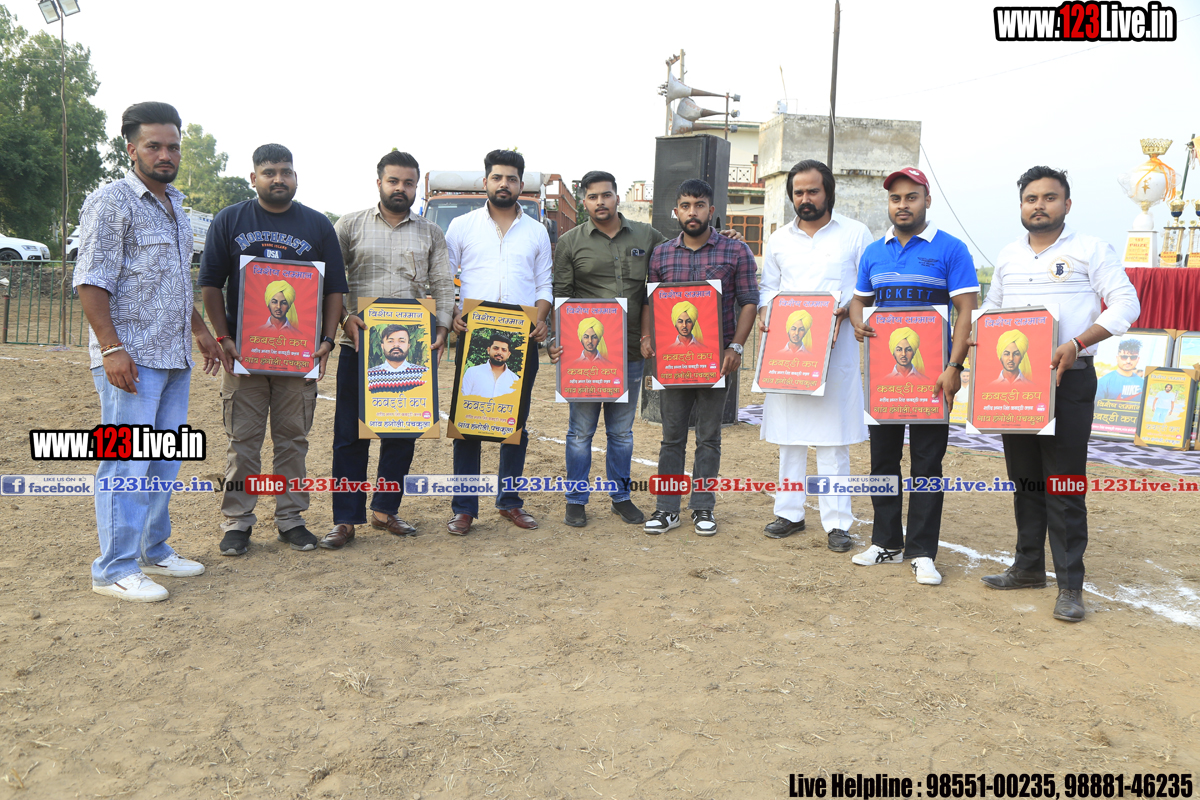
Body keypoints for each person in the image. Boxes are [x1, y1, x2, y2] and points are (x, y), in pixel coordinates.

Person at [74, 101, 224, 601]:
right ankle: (114, 569)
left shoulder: (175, 204)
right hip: (130, 360)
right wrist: (111, 348)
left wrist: (200, 330)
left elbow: (173, 283)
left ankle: (153, 549)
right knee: (126, 464)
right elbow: (91, 280)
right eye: (154, 145)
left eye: (173, 146)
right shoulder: (111, 201)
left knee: (162, 463)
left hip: (174, 356)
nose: (166, 154)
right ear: (131, 148)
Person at [979, 165, 1139, 622]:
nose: (1039, 205)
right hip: (1019, 386)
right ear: (1021, 206)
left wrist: (1077, 343)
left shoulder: (1091, 249)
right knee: (1025, 480)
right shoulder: (1009, 255)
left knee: (1064, 484)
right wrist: (980, 332)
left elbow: (1126, 303)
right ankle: (1029, 567)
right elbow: (993, 307)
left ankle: (1070, 586)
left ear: (1067, 204)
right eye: (1031, 198)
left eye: (1049, 198)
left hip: (1070, 379)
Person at [199, 143, 347, 556]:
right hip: (244, 355)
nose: (278, 179)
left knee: (293, 441)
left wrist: (327, 340)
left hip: (299, 356)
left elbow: (334, 289)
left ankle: (291, 518)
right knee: (243, 442)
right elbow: (210, 284)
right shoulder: (230, 219)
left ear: (295, 177)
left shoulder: (318, 225)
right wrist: (224, 337)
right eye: (269, 172)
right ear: (254, 178)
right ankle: (237, 521)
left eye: (285, 171)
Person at [849, 167, 978, 586]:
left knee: (926, 464)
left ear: (926, 200)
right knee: (883, 462)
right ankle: (886, 542)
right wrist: (858, 321)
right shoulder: (874, 252)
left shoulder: (951, 249)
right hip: (885, 381)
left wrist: (954, 368)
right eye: (895, 198)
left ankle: (922, 551)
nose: (902, 205)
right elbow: (859, 301)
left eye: (911, 197)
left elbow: (966, 311)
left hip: (932, 379)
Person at [323, 151, 453, 550]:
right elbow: (331, 279)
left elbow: (442, 282)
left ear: (416, 188)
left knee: (402, 432)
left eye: (408, 183)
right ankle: (345, 518)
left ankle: (385, 509)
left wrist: (443, 326)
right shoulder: (350, 225)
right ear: (378, 182)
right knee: (349, 435)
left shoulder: (431, 232)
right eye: (393, 181)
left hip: (411, 351)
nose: (401, 188)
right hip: (358, 344)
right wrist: (344, 317)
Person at [758, 160, 872, 549]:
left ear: (829, 192)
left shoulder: (855, 234)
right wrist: (767, 313)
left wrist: (847, 307)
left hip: (836, 351)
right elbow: (768, 288)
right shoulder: (779, 239)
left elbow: (867, 287)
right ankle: (789, 513)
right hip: (789, 355)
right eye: (799, 192)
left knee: (832, 440)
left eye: (813, 191)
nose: (805, 198)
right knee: (789, 438)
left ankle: (837, 523)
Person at [640, 179, 758, 536]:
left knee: (709, 437)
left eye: (700, 205)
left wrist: (736, 347)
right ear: (676, 211)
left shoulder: (736, 251)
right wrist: (647, 336)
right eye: (686, 206)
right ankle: (667, 509)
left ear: (711, 210)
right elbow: (651, 302)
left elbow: (749, 302)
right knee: (671, 437)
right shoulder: (661, 254)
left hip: (717, 361)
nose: (693, 212)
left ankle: (703, 508)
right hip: (674, 361)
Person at [550, 170, 666, 528]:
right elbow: (561, 297)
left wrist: (722, 237)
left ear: (617, 197)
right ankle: (576, 500)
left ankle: (621, 498)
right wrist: (556, 340)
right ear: (583, 202)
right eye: (592, 197)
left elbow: (680, 253)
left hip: (630, 352)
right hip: (584, 357)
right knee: (580, 433)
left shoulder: (647, 236)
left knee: (621, 434)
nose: (600, 202)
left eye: (606, 195)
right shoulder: (570, 243)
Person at [446, 149, 551, 534]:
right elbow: (444, 277)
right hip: (474, 336)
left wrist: (542, 318)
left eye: (511, 178)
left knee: (514, 422)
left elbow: (544, 284)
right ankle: (464, 508)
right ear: (485, 181)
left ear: (521, 185)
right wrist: (452, 312)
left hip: (521, 339)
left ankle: (510, 502)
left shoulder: (537, 231)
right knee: (467, 422)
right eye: (497, 177)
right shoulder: (461, 226)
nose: (504, 184)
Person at [365, 326, 428, 394]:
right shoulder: (369, 376)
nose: (396, 345)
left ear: (408, 346)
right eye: (390, 341)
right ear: (382, 346)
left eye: (401, 341)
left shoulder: (424, 374)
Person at [460, 334, 521, 398]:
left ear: (508, 354)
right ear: (488, 350)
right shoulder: (472, 372)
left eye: (504, 350)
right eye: (496, 348)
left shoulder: (515, 380)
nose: (499, 352)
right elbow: (462, 398)